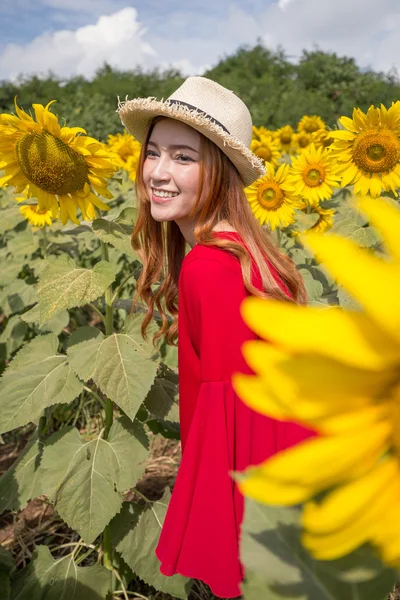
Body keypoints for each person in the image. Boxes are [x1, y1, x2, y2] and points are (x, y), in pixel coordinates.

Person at [118, 76, 315, 598]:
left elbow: (238, 417)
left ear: (220, 175)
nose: (157, 173)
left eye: (184, 158)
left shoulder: (209, 267)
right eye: (153, 152)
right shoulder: (241, 251)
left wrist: (226, 538)